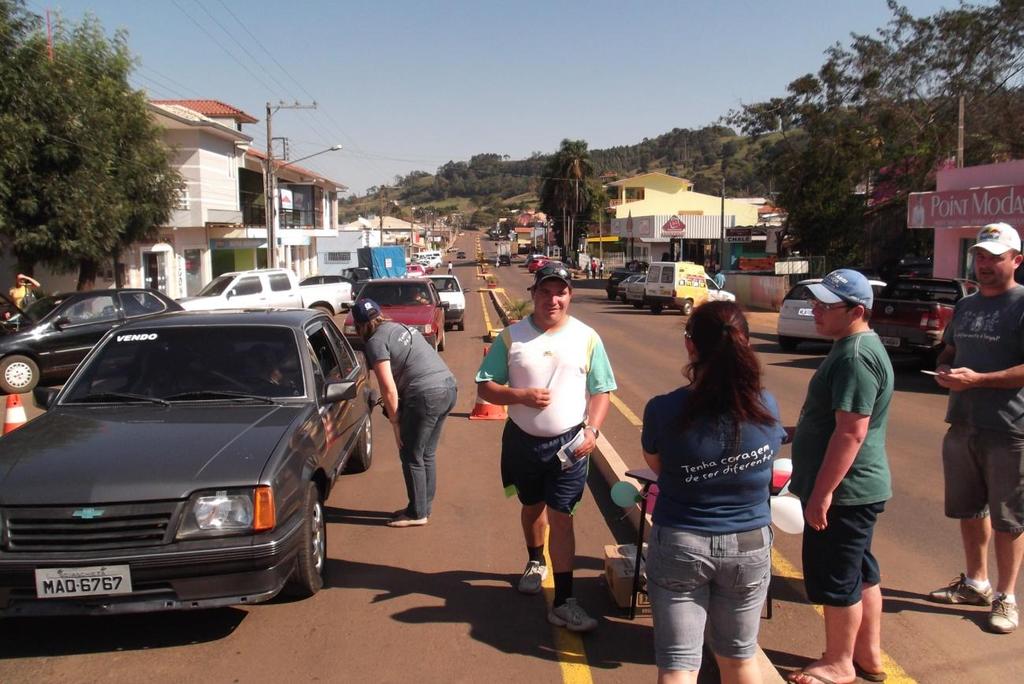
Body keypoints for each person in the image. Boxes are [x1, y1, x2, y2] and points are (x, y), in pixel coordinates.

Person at [642, 301, 786, 684]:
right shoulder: (765, 405)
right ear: (746, 343)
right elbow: (767, 462)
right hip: (749, 545)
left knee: (678, 666)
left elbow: (659, 467)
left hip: (681, 541)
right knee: (740, 660)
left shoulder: (663, 410)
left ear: (692, 347)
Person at [475, 262, 616, 632]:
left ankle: (565, 601)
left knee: (561, 516)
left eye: (560, 292)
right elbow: (485, 386)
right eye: (545, 291)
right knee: (531, 507)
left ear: (569, 295)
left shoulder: (587, 338)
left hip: (570, 445)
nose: (552, 299)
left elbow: (602, 390)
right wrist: (518, 395)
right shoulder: (512, 337)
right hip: (522, 443)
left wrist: (594, 431)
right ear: (533, 294)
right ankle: (535, 560)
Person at [787, 269, 894, 684]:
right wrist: (796, 433)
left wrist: (822, 493)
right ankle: (867, 655)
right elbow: (836, 422)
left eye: (825, 306)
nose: (814, 310)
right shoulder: (853, 346)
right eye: (815, 301)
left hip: (845, 493)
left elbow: (852, 431)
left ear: (857, 311)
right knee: (860, 571)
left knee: (837, 578)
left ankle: (839, 662)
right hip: (856, 490)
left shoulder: (853, 356)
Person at [929, 222, 1024, 634]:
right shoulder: (966, 305)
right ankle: (975, 582)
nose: (984, 264)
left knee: (1009, 518)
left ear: (1016, 260)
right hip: (962, 421)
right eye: (980, 256)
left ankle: (1006, 596)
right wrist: (947, 368)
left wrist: (980, 380)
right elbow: (951, 347)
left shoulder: (1021, 304)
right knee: (970, 509)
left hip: (1009, 427)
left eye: (994, 257)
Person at [353, 298, 458, 528]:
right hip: (448, 386)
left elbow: (388, 388)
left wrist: (395, 423)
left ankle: (417, 513)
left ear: (359, 326)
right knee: (425, 453)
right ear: (379, 314)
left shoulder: (375, 342)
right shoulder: (400, 327)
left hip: (426, 395)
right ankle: (422, 507)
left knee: (410, 454)